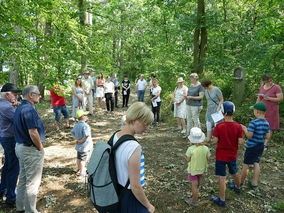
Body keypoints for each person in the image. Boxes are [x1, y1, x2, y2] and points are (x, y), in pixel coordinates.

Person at [110, 102, 155, 213]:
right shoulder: (134, 147)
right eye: (145, 124)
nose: (147, 128)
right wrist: (148, 205)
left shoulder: (115, 136)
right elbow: (135, 186)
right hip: (129, 196)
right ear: (135, 121)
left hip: (115, 191)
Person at [14, 85, 45, 213]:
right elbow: (33, 132)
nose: (40, 96)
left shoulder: (21, 107)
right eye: (38, 94)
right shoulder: (28, 109)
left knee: (24, 179)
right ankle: (30, 211)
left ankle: (21, 207)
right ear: (31, 95)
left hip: (21, 147)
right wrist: (40, 147)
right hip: (29, 149)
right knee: (32, 182)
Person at [211, 101, 243, 207]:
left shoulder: (219, 126)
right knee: (234, 172)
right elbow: (241, 142)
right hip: (232, 155)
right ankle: (238, 188)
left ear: (222, 113)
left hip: (220, 156)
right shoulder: (238, 127)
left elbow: (215, 141)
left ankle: (222, 200)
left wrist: (212, 138)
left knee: (222, 177)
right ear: (234, 112)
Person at [239, 102, 270, 189]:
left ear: (256, 111)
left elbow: (249, 135)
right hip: (260, 145)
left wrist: (244, 129)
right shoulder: (266, 123)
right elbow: (267, 136)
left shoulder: (253, 123)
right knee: (256, 163)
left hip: (252, 147)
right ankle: (254, 182)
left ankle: (240, 182)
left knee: (246, 164)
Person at [0, 83, 21, 207]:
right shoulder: (7, 107)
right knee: (13, 167)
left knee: (7, 165)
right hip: (10, 139)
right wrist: (19, 107)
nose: (16, 96)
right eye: (14, 94)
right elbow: (19, 120)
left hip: (4, 137)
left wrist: (14, 105)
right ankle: (11, 197)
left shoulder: (4, 104)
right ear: (7, 95)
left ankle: (3, 190)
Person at [256, 74, 282, 150]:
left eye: (271, 80)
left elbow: (280, 98)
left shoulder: (276, 87)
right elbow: (259, 98)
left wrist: (269, 98)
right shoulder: (261, 87)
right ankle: (259, 142)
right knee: (260, 125)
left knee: (269, 127)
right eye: (268, 81)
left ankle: (265, 144)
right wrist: (256, 107)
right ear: (264, 81)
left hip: (272, 111)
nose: (270, 82)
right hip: (262, 110)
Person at [185, 127, 210, 206]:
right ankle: (196, 193)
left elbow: (188, 159)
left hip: (193, 170)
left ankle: (194, 200)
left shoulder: (190, 149)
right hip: (201, 169)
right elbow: (208, 158)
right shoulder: (206, 148)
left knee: (194, 185)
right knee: (198, 182)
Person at [71, 110, 93, 179]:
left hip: (79, 147)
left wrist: (77, 140)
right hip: (84, 147)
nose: (87, 116)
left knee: (78, 158)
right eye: (85, 115)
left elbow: (72, 133)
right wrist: (81, 141)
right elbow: (86, 136)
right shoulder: (85, 126)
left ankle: (78, 169)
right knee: (83, 160)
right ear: (82, 117)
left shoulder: (76, 125)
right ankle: (82, 173)